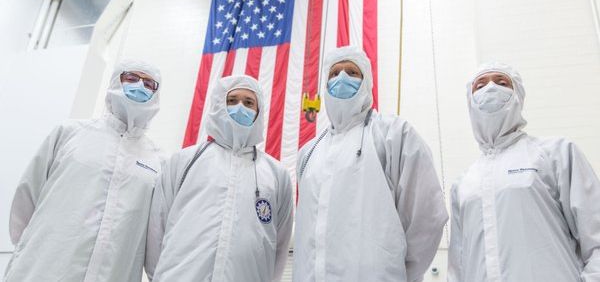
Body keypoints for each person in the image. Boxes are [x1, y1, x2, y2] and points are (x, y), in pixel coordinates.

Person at [293, 46, 448, 282]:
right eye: (334, 73)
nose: (342, 78)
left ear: (366, 82)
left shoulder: (392, 134)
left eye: (352, 72)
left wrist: (395, 270)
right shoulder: (309, 152)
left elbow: (427, 215)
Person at [5, 60, 163, 282]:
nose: (140, 86)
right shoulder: (70, 133)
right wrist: (29, 247)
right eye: (131, 78)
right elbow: (28, 195)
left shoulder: (156, 160)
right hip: (45, 267)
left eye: (149, 83)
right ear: (116, 80)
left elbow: (154, 235)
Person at [448, 62, 600, 281]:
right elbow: (458, 266)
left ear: (518, 95)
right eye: (480, 85)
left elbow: (595, 235)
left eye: (502, 83)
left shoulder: (554, 154)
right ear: (470, 102)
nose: (490, 88)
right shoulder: (464, 183)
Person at [145, 75, 293, 282]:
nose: (240, 107)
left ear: (259, 112)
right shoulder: (183, 161)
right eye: (232, 101)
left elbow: (280, 244)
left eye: (249, 102)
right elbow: (156, 229)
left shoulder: (277, 174)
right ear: (217, 104)